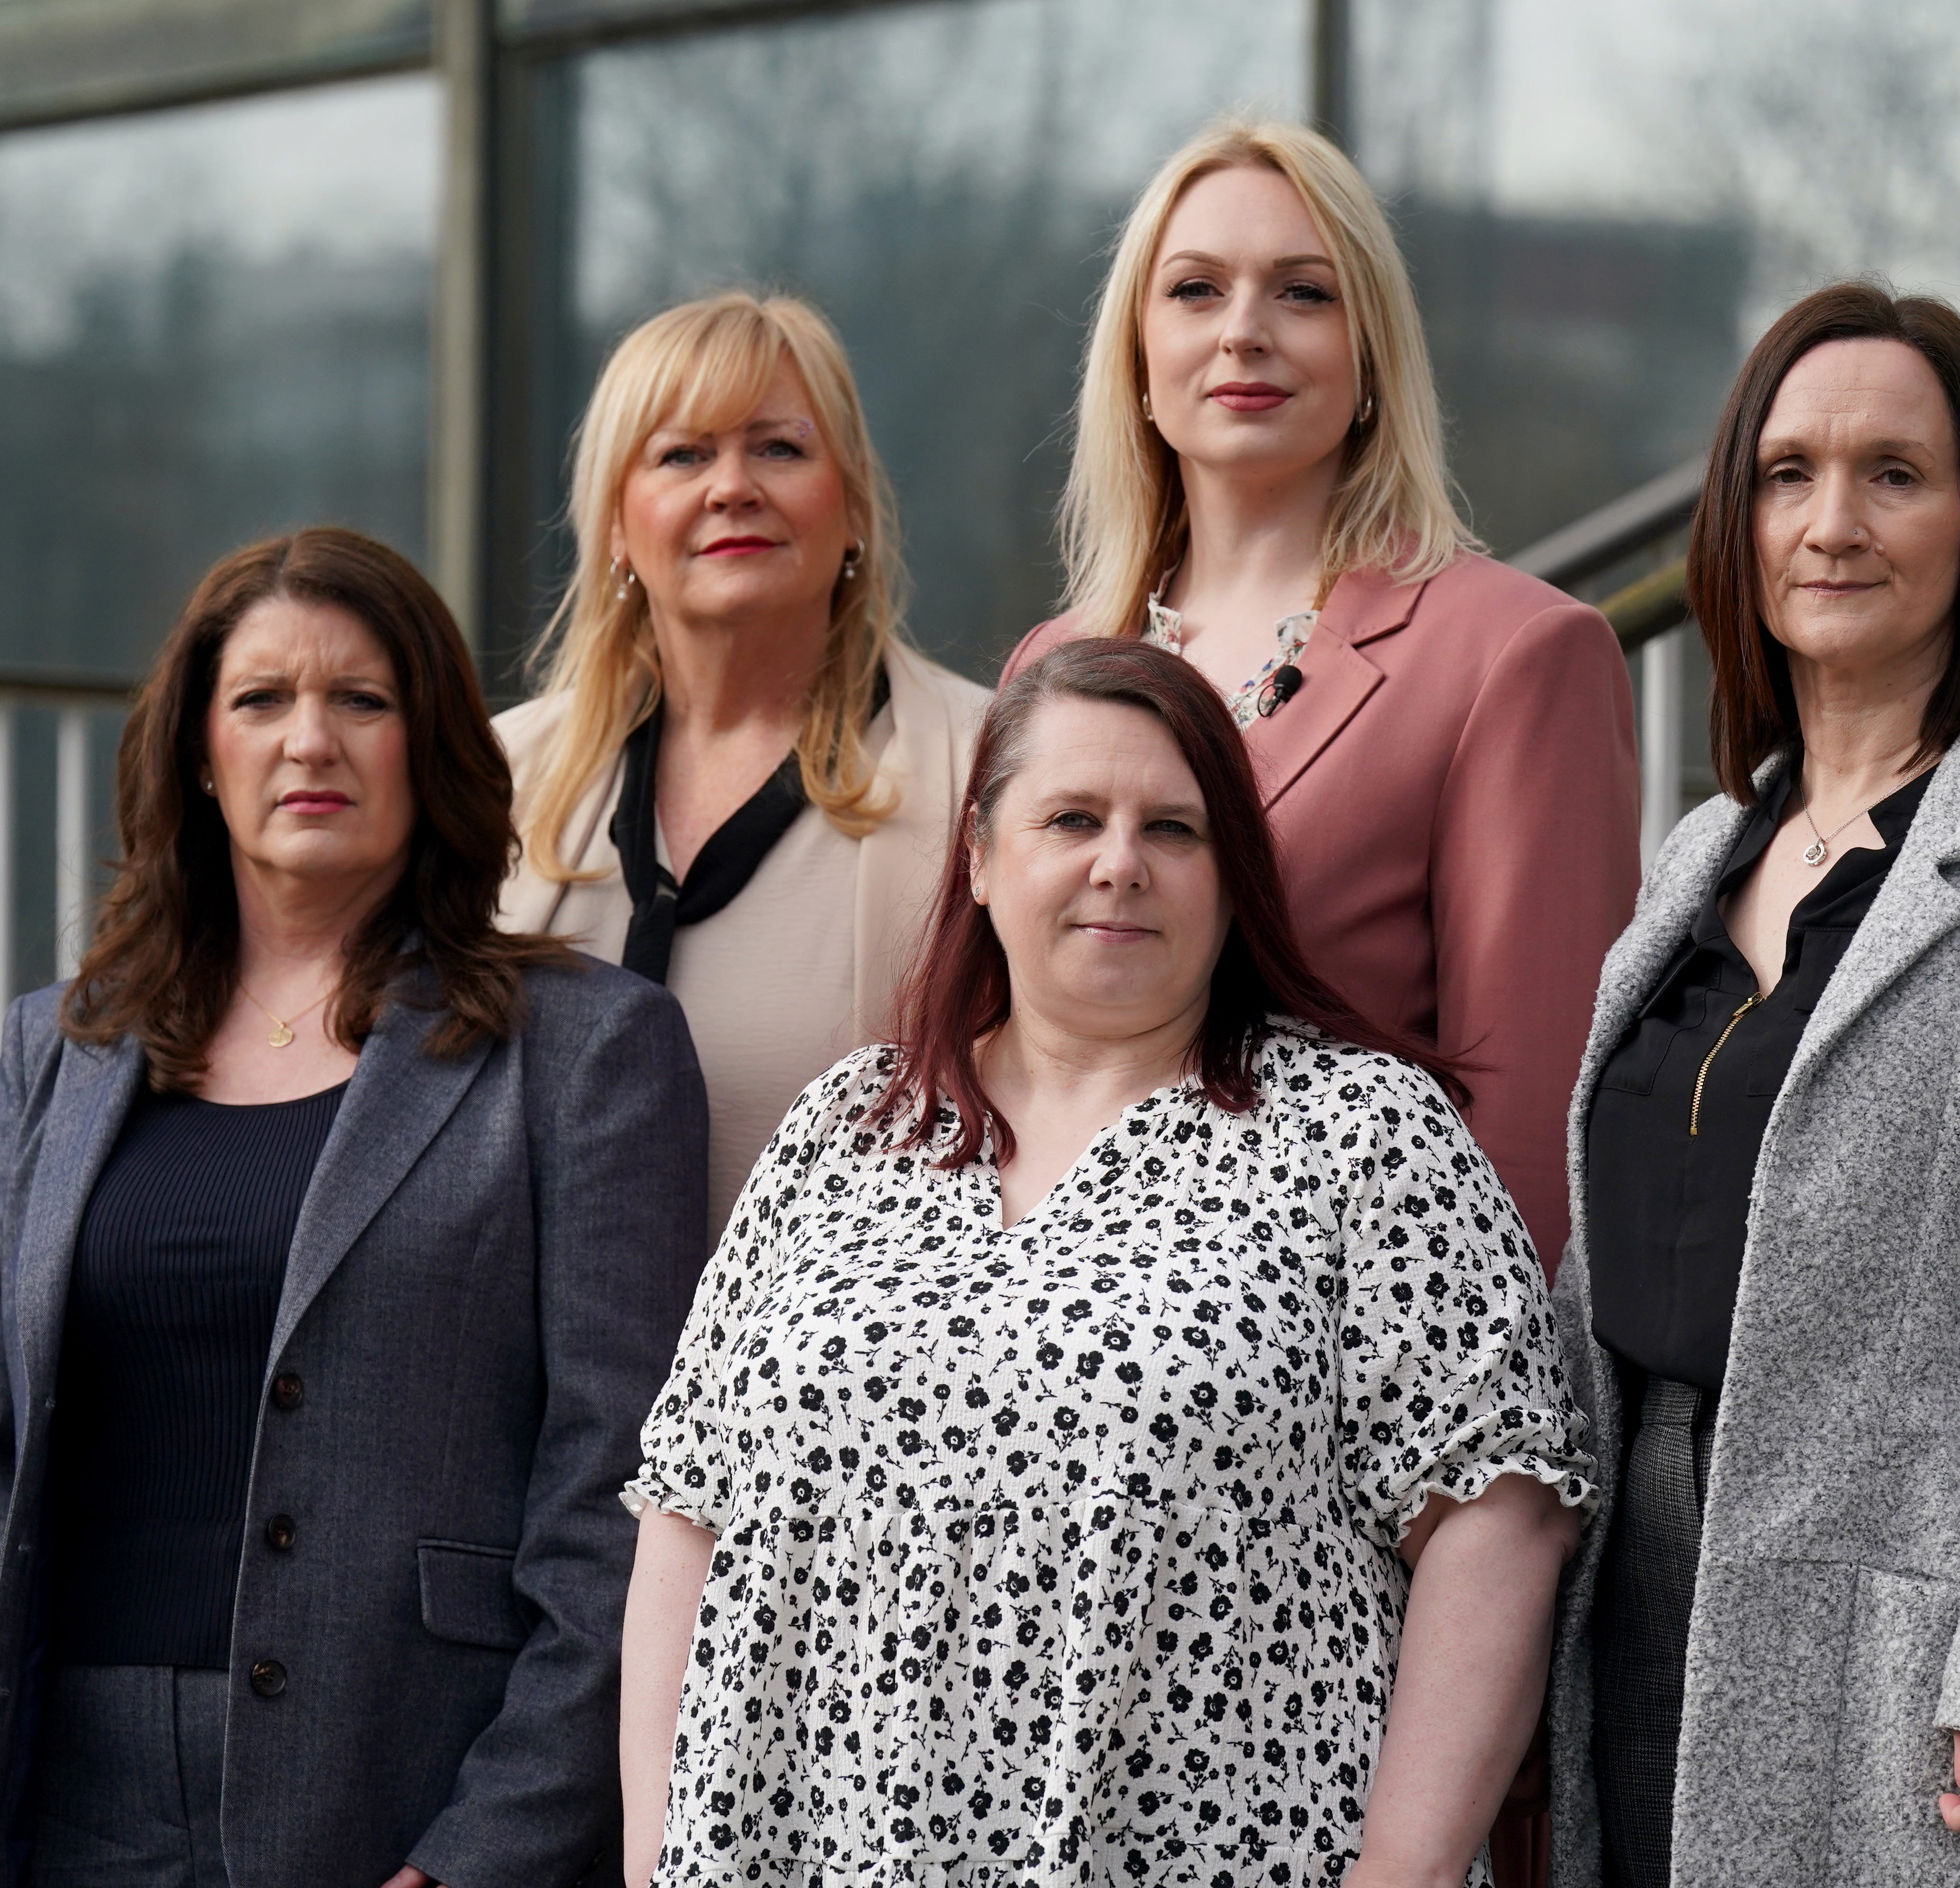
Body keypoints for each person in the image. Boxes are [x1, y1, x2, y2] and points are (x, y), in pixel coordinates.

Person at [617, 638, 1593, 1888]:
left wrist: (1400, 1875)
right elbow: (686, 1517)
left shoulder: (1364, 1138)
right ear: (978, 856)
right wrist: (655, 1863)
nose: (1120, 865)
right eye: (1072, 818)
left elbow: (1494, 1516)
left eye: (1174, 831)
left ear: (1233, 877)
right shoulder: (842, 1134)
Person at [0, 529, 712, 1888]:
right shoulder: (64, 1050)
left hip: (399, 1787)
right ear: (198, 754)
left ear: (432, 745)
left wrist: (480, 1856)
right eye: (262, 700)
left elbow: (616, 1499)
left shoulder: (585, 1052)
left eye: (363, 701)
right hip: (67, 1807)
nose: (309, 741)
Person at [1548, 283, 1960, 1886]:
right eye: (1788, 474)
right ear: (1735, 520)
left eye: (1894, 475)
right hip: (1645, 1584)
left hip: (1925, 1637)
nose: (1832, 522)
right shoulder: (1696, 861)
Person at [1000, 118, 1639, 1276]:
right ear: (1139, 358)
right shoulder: (1053, 663)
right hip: (1046, 1368)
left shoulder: (1517, 653)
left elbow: (1532, 1134)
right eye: (1196, 290)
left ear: (1370, 358)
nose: (1244, 331)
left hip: (1352, 1383)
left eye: (1303, 292)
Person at [499, 291, 991, 1239]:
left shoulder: (989, 770)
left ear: (850, 507)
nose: (732, 487)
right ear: (614, 525)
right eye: (683, 454)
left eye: (779, 448)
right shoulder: (492, 777)